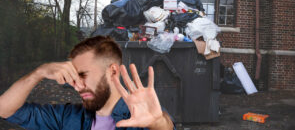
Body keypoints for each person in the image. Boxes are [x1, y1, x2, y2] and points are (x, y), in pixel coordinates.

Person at [0, 35, 175, 130]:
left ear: (113, 70)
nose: (76, 85)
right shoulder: (69, 117)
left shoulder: (141, 117)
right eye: (73, 77)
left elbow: (163, 125)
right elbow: (4, 109)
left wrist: (158, 123)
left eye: (83, 75)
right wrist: (38, 73)